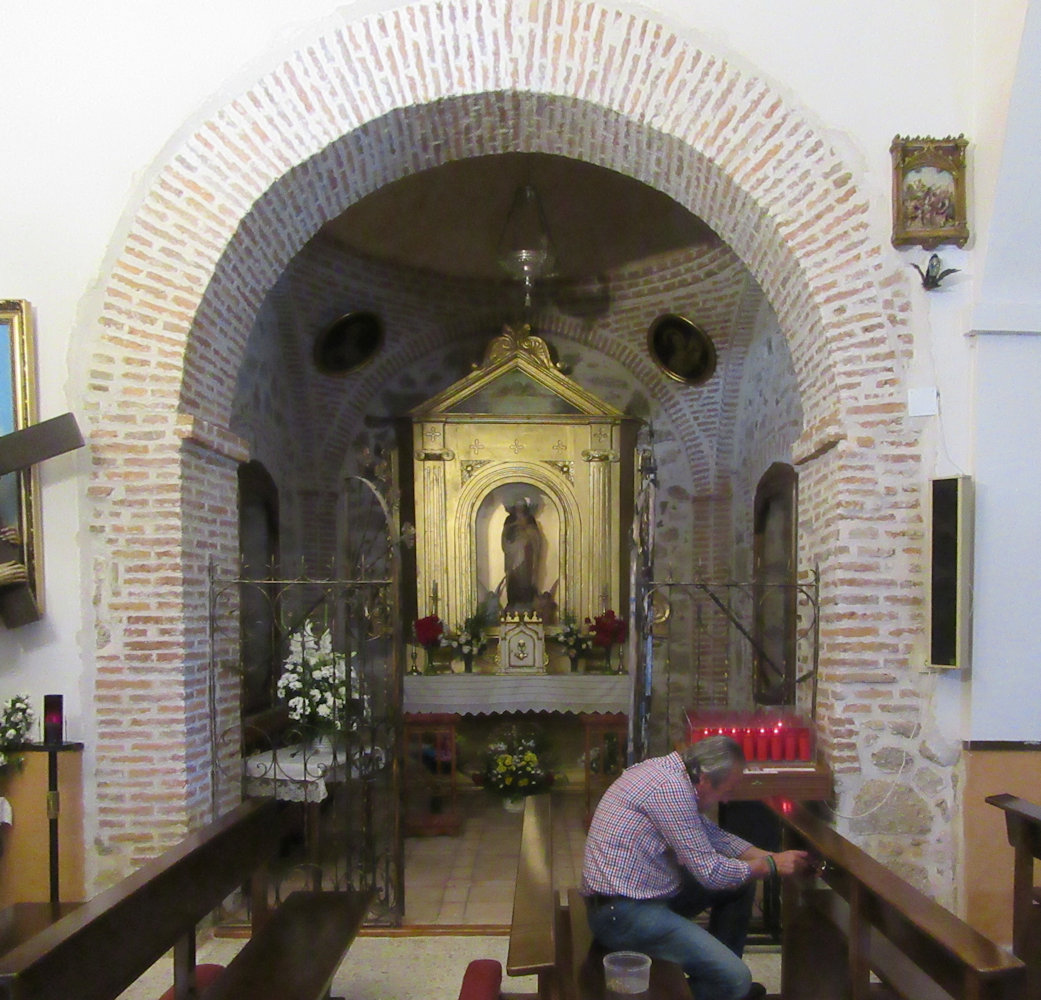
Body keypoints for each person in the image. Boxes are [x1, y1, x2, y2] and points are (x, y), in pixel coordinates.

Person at [581, 735, 810, 1000]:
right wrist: (769, 865)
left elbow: (711, 834)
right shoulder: (671, 789)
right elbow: (710, 873)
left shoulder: (672, 770)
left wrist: (771, 855)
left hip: (637, 896)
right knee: (738, 979)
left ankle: (719, 976)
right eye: (726, 791)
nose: (726, 801)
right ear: (705, 780)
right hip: (621, 914)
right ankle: (721, 986)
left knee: (738, 885)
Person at [501, 498, 542, 611]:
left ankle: (527, 603)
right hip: (513, 557)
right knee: (514, 578)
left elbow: (536, 537)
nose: (520, 508)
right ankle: (513, 603)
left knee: (525, 579)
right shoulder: (509, 520)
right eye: (518, 506)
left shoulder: (530, 520)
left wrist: (527, 531)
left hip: (527, 555)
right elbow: (505, 537)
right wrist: (515, 529)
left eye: (522, 506)